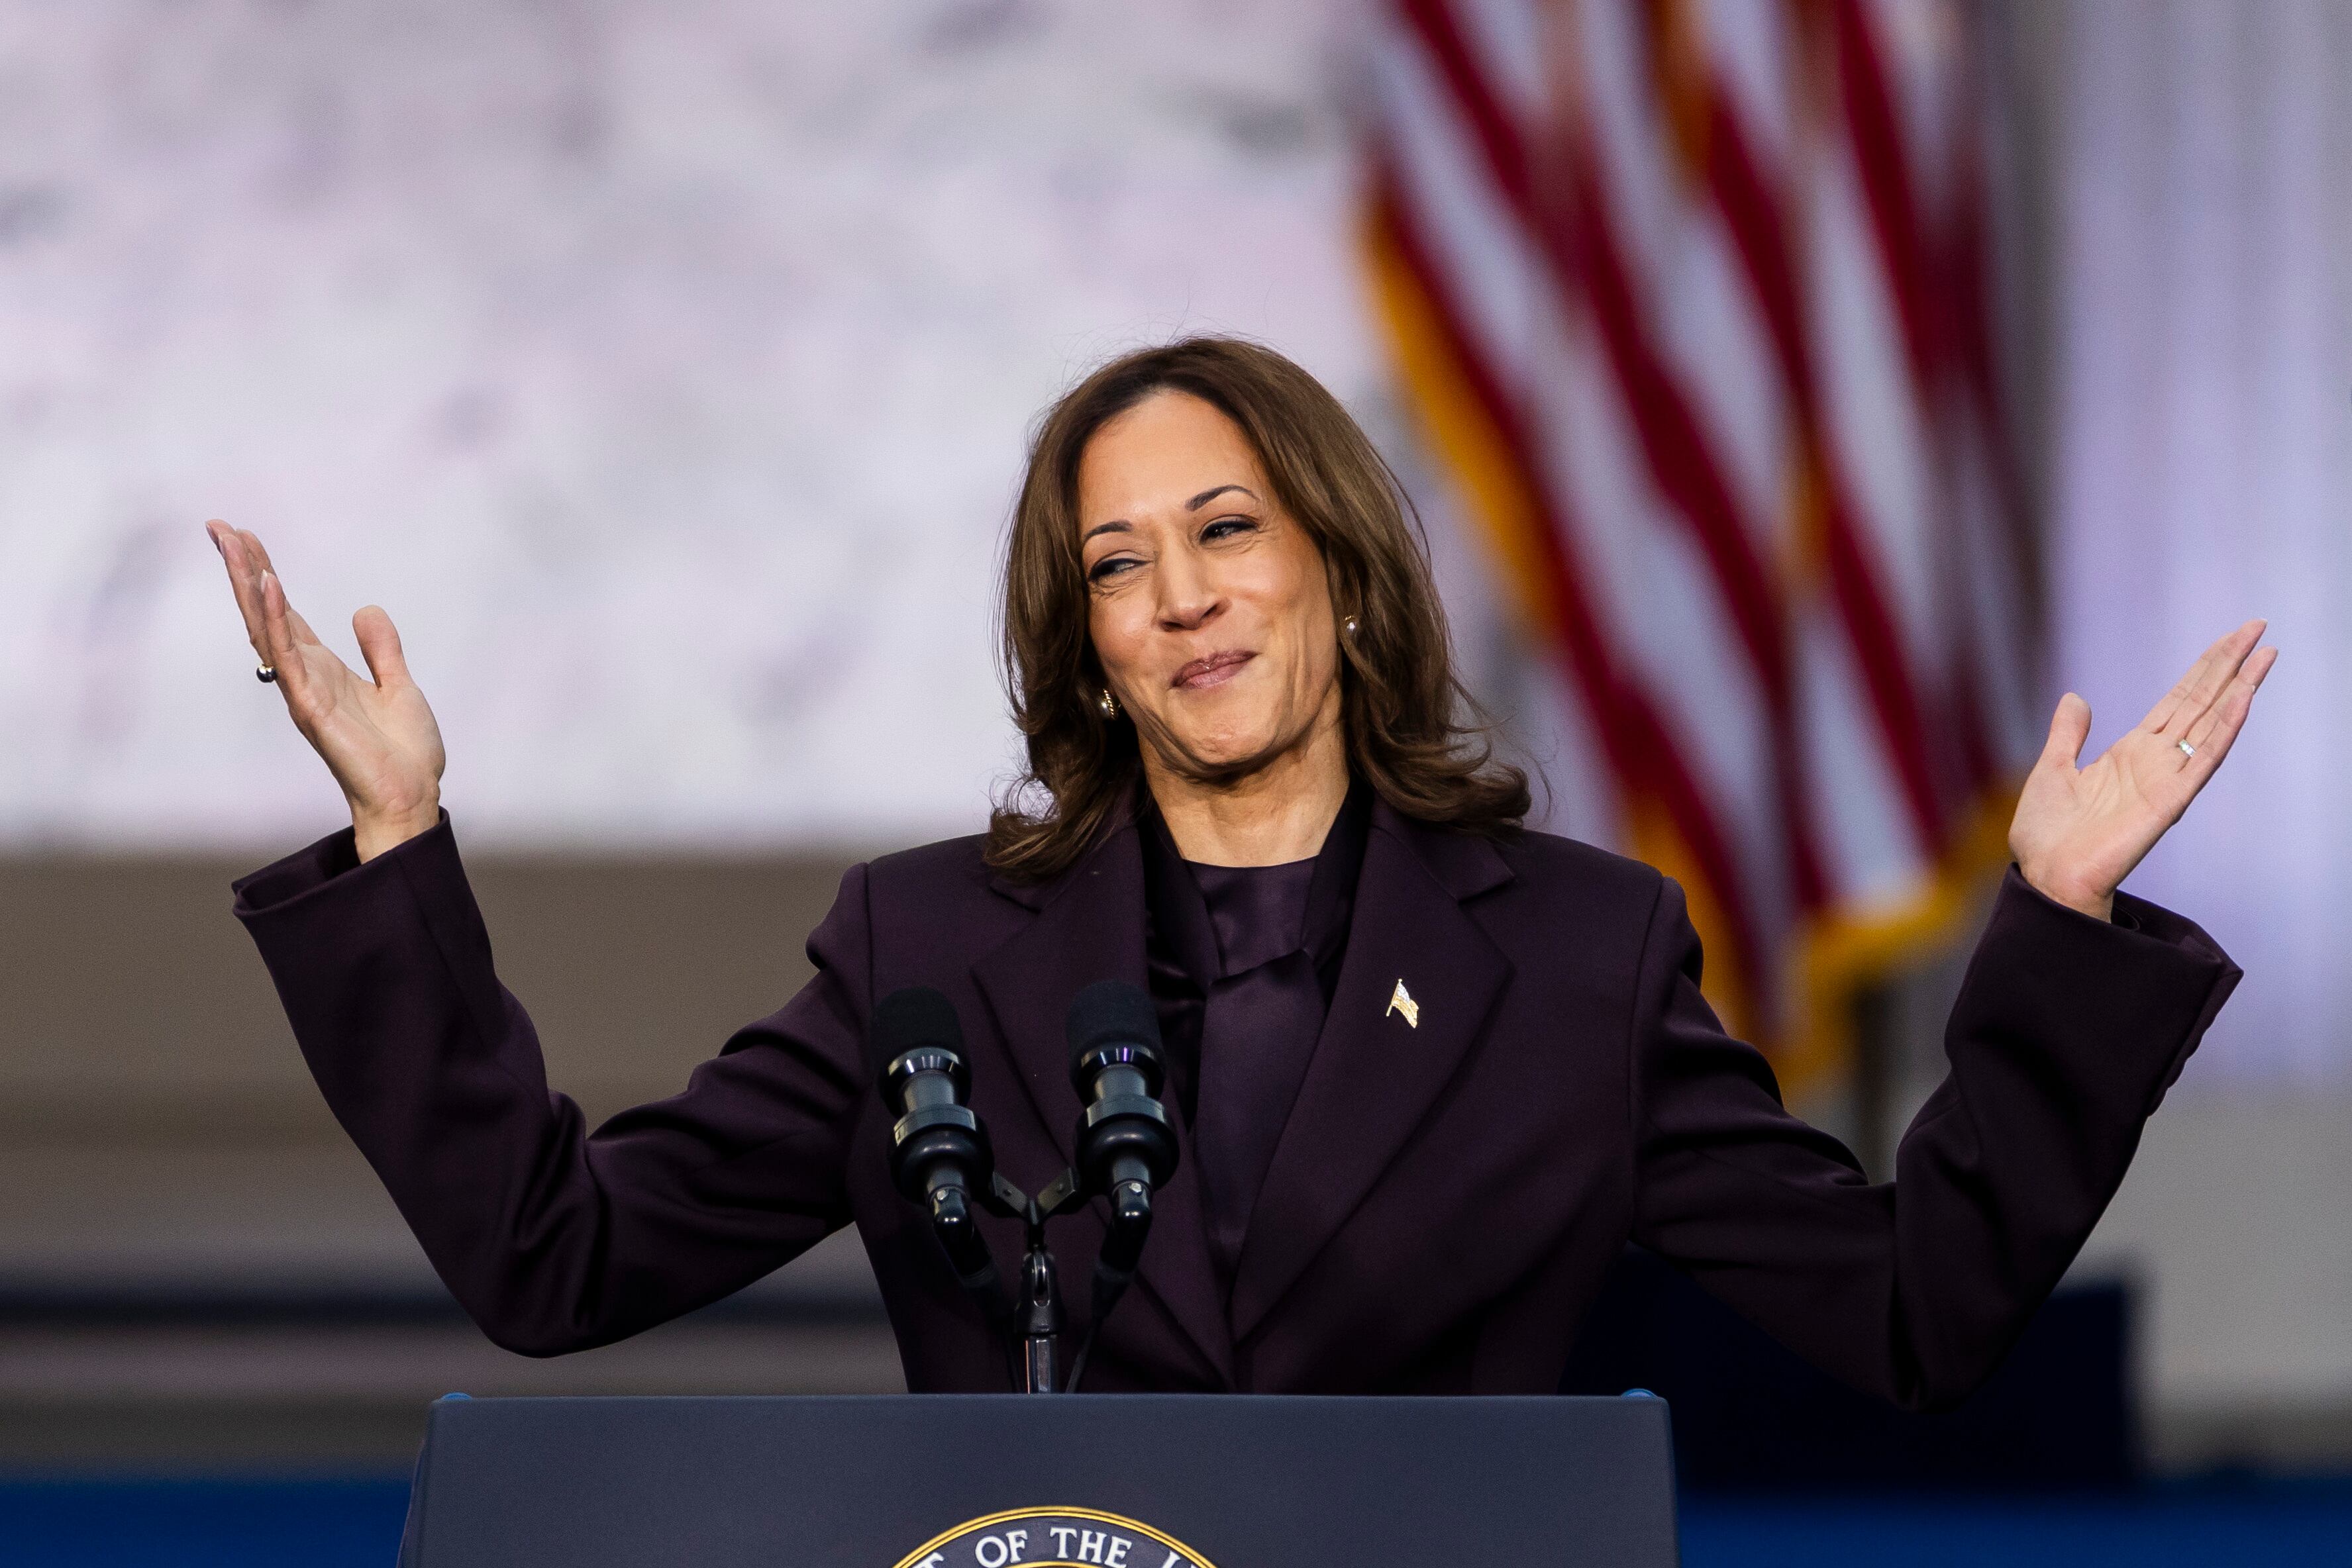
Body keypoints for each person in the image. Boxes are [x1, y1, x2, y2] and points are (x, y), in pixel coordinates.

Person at [210, 338, 2263, 1399]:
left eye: (1227, 532)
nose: (1180, 599)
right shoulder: (921, 947)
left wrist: (2059, 933)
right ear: (1083, 648)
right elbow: (558, 1264)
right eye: (1117, 564)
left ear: (1346, 583)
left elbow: (1913, 1313)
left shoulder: (1581, 957)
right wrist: (399, 843)